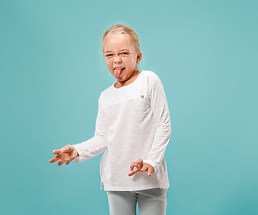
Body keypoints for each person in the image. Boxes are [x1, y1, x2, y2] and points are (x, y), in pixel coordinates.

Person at [49, 24, 171, 215]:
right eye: (109, 55)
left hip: (150, 178)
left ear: (138, 57)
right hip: (116, 180)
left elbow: (163, 123)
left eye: (123, 53)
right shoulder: (105, 96)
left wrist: (151, 161)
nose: (116, 60)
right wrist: (77, 150)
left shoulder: (149, 80)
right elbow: (103, 137)